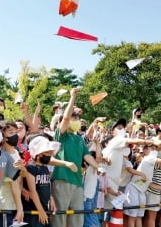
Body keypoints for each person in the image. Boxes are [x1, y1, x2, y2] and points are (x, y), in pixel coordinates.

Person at [51, 88, 99, 227]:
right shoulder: (61, 135)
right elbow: (65, 117)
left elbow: (87, 156)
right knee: (59, 218)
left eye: (77, 117)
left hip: (77, 181)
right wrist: (72, 97)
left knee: (77, 218)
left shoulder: (79, 139)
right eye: (73, 117)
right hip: (62, 179)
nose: (76, 119)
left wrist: (98, 168)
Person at [24, 136, 77, 227]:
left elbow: (46, 185)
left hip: (44, 209)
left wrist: (51, 198)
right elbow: (33, 191)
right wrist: (40, 211)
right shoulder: (30, 168)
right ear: (38, 154)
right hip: (34, 211)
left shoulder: (44, 168)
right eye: (47, 152)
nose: (50, 155)